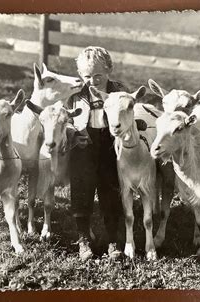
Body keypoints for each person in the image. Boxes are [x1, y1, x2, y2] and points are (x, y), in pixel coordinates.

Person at [67, 46, 127, 260]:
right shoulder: (74, 93)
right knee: (82, 188)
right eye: (87, 76)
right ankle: (83, 239)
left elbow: (127, 112)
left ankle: (113, 239)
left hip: (110, 142)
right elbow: (63, 119)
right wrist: (73, 133)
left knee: (110, 189)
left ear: (109, 70)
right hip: (84, 144)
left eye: (98, 76)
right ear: (80, 75)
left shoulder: (118, 90)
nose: (92, 81)